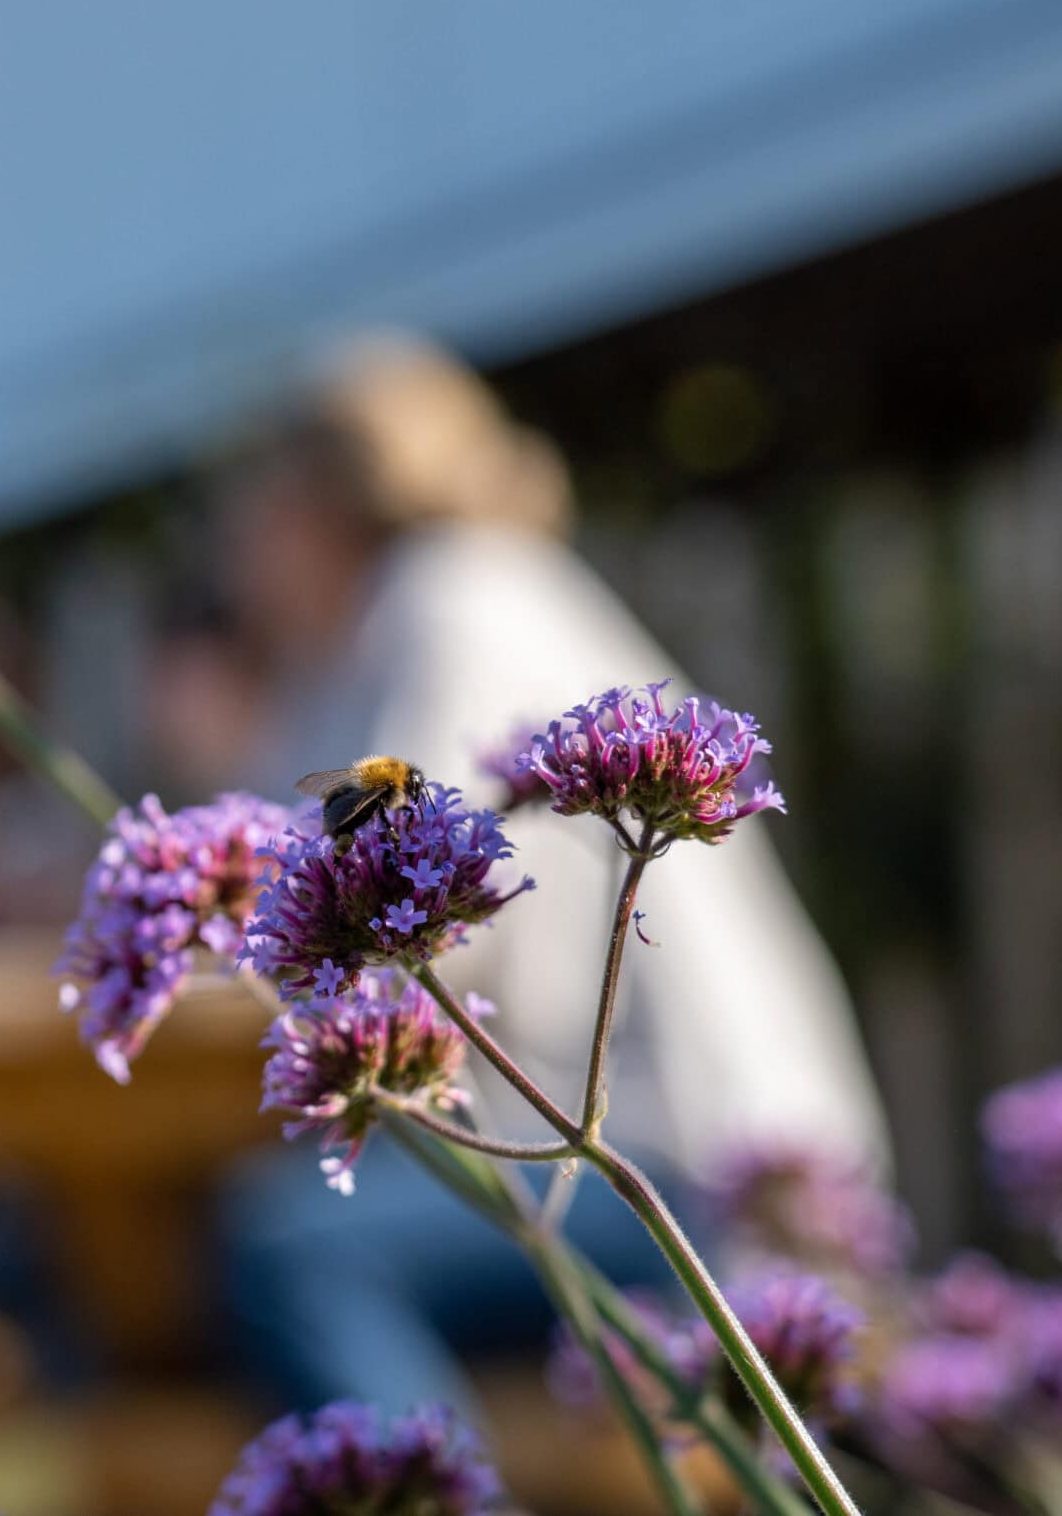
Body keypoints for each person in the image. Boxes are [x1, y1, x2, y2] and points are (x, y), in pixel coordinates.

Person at [213, 332, 889, 1415]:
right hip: (654, 1149)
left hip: (695, 1172)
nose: (237, 556)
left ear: (315, 503)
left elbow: (406, 878)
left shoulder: (447, 605)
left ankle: (423, 1485)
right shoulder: (432, 614)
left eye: (249, 514)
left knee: (296, 1253)